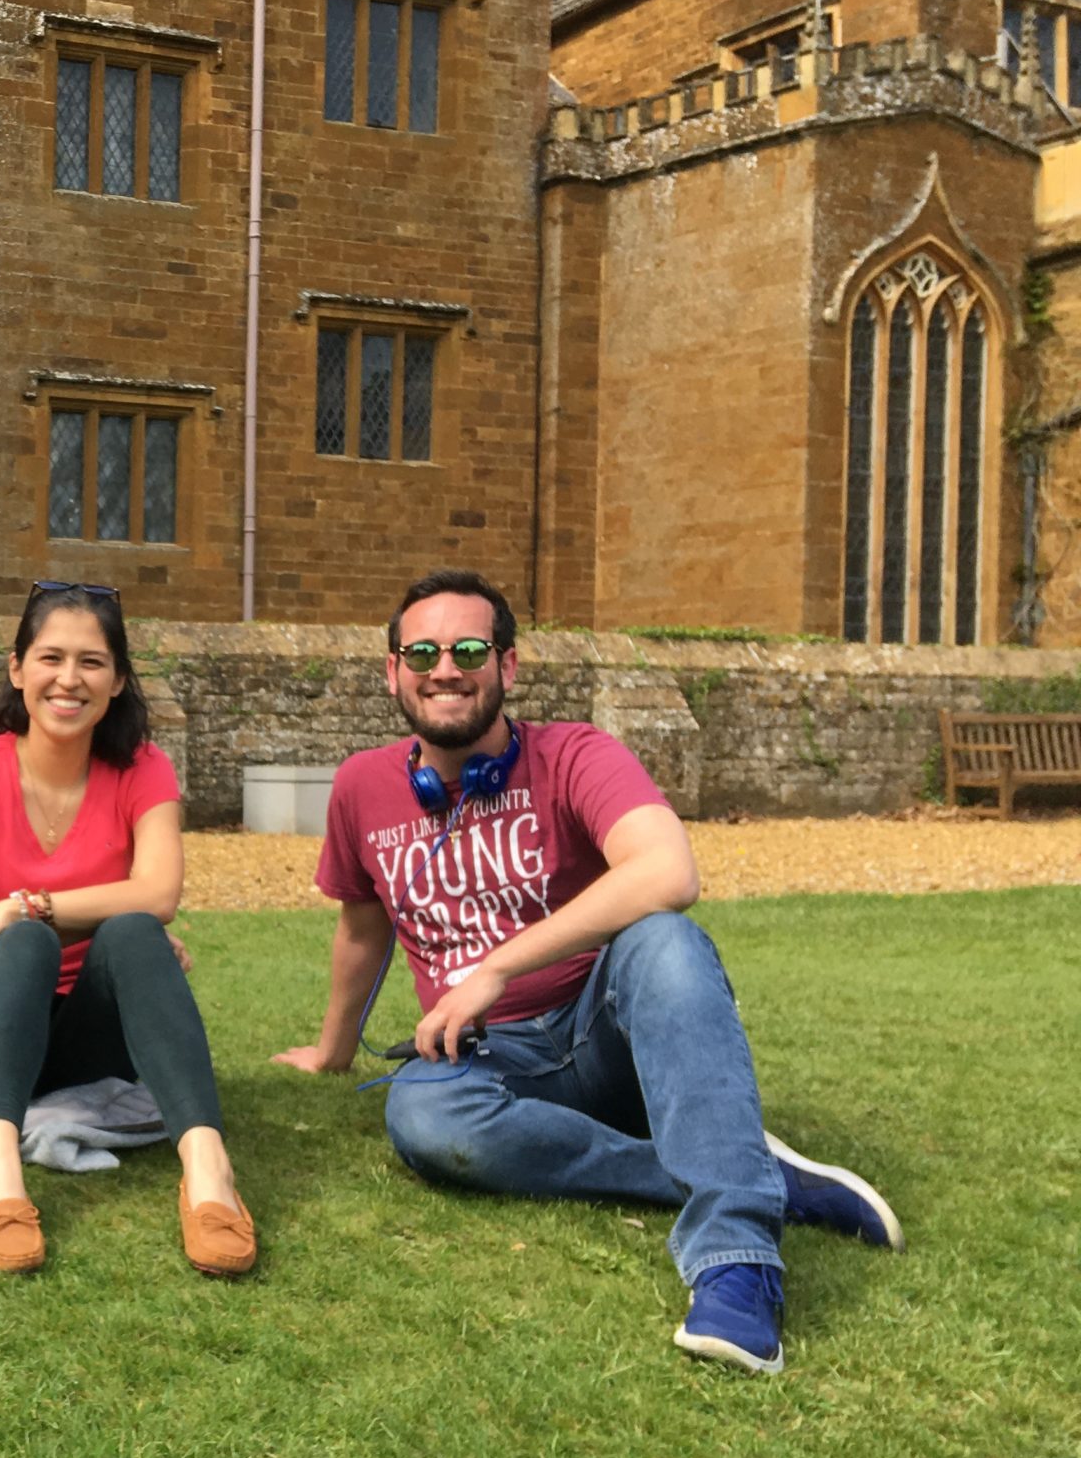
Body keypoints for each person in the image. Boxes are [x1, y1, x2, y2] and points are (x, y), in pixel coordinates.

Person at [273, 568, 903, 1374]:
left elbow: (666, 871)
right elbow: (363, 925)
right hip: (484, 1061)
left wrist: (496, 969)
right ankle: (741, 1165)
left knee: (665, 941)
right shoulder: (362, 787)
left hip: (603, 1032)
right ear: (393, 671)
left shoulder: (575, 753)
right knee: (424, 1119)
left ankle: (736, 1267)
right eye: (422, 651)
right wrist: (332, 1049)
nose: (445, 668)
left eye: (470, 647)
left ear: (508, 666)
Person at [0, 581, 255, 1277]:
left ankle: (209, 1168)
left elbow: (158, 894)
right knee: (30, 941)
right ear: (17, 669)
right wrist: (22, 919)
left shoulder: (143, 767)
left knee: (131, 933)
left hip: (88, 1037)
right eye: (51, 658)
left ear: (119, 679)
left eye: (92, 662)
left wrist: (21, 904)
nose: (69, 680)